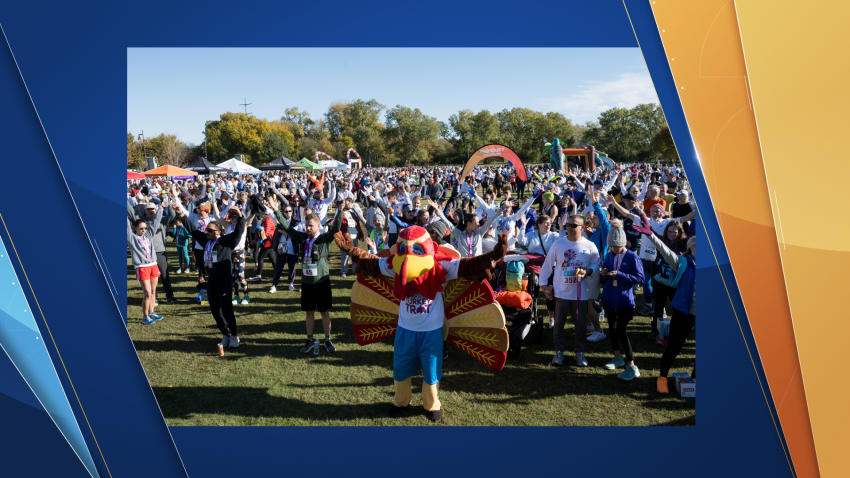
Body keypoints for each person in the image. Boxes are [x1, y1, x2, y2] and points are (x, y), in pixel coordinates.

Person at [335, 226, 509, 423]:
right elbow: (371, 263)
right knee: (400, 371)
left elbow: (470, 265)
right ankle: (401, 402)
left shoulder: (442, 267)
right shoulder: (394, 266)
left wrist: (494, 256)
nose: (409, 257)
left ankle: (431, 405)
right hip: (404, 331)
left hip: (431, 332)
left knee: (431, 373)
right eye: (404, 250)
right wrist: (351, 251)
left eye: (417, 250)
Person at [631, 213, 695, 394]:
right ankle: (662, 377)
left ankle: (696, 376)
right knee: (673, 346)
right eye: (695, 247)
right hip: (683, 310)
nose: (698, 249)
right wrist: (650, 234)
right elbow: (664, 249)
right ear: (691, 249)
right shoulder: (682, 263)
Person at [178, 206, 246, 348]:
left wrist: (240, 215)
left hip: (225, 280)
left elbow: (239, 230)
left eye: (209, 230)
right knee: (215, 311)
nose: (206, 232)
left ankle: (234, 335)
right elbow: (193, 230)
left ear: (218, 232)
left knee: (227, 309)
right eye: (206, 230)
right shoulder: (205, 240)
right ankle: (225, 335)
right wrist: (181, 214)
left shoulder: (226, 241)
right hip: (212, 281)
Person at [539, 214, 600, 367]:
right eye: (568, 225)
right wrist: (543, 284)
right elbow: (547, 266)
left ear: (583, 228)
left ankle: (579, 352)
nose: (570, 228)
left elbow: (596, 263)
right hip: (561, 292)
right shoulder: (558, 244)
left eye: (574, 225)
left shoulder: (590, 245)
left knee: (580, 325)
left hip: (581, 294)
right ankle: (559, 352)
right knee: (558, 324)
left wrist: (588, 272)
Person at [279, 208, 343, 353]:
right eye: (306, 225)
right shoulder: (303, 238)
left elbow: (336, 227)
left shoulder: (325, 238)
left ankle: (328, 340)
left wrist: (340, 212)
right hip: (306, 282)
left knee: (324, 311)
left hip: (322, 281)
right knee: (309, 312)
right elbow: (288, 228)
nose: (307, 228)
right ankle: (309, 340)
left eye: (311, 226)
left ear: (318, 225)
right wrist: (278, 211)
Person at [599, 220, 645, 380]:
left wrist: (619, 275)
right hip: (609, 299)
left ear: (623, 244)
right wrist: (604, 273)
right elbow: (606, 273)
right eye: (611, 246)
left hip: (625, 301)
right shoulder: (609, 255)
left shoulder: (632, 257)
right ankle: (617, 357)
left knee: (621, 330)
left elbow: (640, 278)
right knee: (612, 328)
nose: (613, 249)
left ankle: (632, 365)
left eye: (615, 247)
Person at [127, 205, 165, 325]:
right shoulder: (131, 238)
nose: (143, 230)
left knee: (153, 291)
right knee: (147, 293)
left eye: (144, 228)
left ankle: (152, 312)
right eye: (140, 228)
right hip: (142, 267)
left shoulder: (148, 235)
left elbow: (155, 222)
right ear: (134, 228)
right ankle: (145, 316)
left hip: (153, 265)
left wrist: (161, 208)